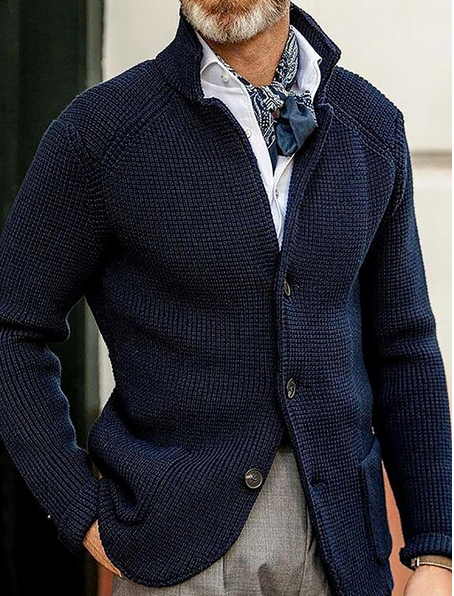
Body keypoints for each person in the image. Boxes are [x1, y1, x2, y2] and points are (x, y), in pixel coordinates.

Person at [0, 1, 451, 595]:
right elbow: (13, 329)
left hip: (344, 548)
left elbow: (404, 343)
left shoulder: (370, 126)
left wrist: (436, 549)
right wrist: (76, 507)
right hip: (173, 548)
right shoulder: (101, 134)